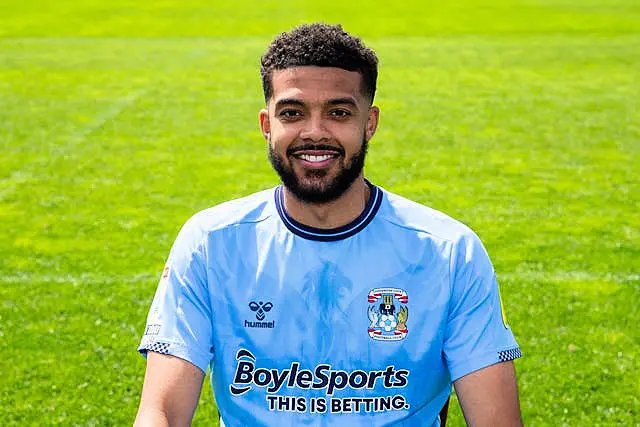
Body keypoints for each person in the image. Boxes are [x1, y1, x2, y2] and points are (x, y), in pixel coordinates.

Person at [134, 23, 523, 427]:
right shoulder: (209, 243)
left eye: (338, 112)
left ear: (369, 123)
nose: (315, 132)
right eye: (293, 113)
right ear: (267, 125)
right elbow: (160, 411)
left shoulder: (449, 251)